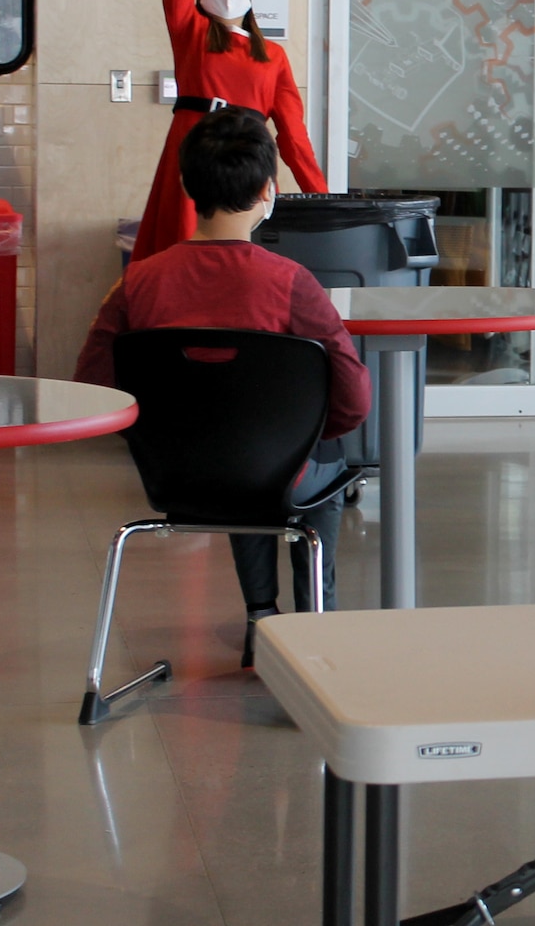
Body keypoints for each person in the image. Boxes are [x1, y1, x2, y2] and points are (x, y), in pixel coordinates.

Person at [75, 110, 370, 666]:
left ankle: (261, 616)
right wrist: (311, 435)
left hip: (175, 475)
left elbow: (92, 387)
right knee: (290, 462)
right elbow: (353, 399)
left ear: (188, 187)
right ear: (268, 190)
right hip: (270, 471)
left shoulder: (136, 282)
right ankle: (314, 635)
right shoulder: (292, 283)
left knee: (240, 455)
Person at [134, 0, 327, 265]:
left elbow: (294, 134)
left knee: (240, 255)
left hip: (248, 157)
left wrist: (321, 197)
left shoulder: (273, 56)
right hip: (196, 145)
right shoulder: (191, 31)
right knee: (184, 253)